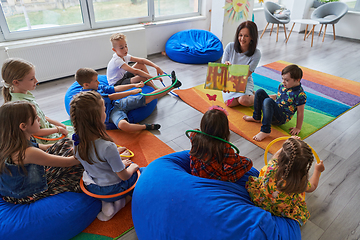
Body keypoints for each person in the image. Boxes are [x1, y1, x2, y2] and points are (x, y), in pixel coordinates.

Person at [70, 91, 142, 221]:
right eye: (104, 110)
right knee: (141, 174)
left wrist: (119, 160)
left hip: (93, 186)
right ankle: (120, 202)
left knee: (109, 178)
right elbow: (124, 176)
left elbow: (97, 160)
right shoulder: (108, 147)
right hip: (113, 188)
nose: (105, 112)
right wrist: (132, 167)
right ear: (98, 118)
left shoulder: (76, 141)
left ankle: (106, 203)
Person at [0, 101, 83, 204]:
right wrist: (89, 151)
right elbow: (69, 162)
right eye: (35, 117)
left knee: (65, 143)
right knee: (78, 169)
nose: (39, 118)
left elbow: (44, 146)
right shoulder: (28, 153)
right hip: (27, 192)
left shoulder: (12, 141)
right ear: (23, 126)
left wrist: (65, 144)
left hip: (21, 181)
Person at [246, 136, 325, 226]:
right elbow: (313, 186)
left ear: (281, 157)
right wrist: (317, 170)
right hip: (281, 210)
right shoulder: (298, 183)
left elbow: (275, 156)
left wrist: (287, 144)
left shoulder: (272, 166)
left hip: (261, 199)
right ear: (304, 167)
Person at [75, 67, 181, 132]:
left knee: (148, 97)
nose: (99, 83)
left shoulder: (97, 86)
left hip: (117, 103)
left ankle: (173, 85)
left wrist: (133, 85)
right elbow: (111, 96)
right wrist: (131, 92)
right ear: (86, 84)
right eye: (95, 81)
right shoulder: (88, 96)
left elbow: (114, 89)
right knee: (123, 125)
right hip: (111, 113)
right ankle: (145, 127)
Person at [1, 58, 72, 144]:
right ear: (16, 82)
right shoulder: (22, 105)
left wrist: (59, 125)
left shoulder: (25, 94)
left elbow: (41, 116)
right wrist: (57, 129)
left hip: (48, 130)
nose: (36, 81)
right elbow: (34, 132)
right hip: (43, 139)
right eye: (31, 79)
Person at [189, 106, 253, 182]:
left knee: (219, 160)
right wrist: (238, 157)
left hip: (195, 171)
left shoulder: (194, 134)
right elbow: (235, 162)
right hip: (214, 178)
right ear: (224, 129)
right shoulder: (224, 146)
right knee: (248, 162)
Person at [243, 64, 306, 142]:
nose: (283, 82)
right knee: (259, 92)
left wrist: (298, 128)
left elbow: (300, 112)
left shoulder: (300, 95)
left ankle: (265, 131)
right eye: (282, 78)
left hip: (281, 117)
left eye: (287, 80)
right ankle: (256, 117)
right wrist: (264, 97)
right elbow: (280, 96)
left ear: (297, 80)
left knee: (268, 101)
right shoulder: (282, 85)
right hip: (274, 109)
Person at [222, 20, 261, 107]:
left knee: (243, 100)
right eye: (240, 35)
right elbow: (222, 68)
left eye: (246, 36)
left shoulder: (256, 53)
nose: (242, 39)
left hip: (244, 81)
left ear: (252, 37)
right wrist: (226, 65)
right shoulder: (230, 47)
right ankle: (251, 94)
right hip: (229, 80)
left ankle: (263, 97)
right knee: (229, 103)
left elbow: (246, 75)